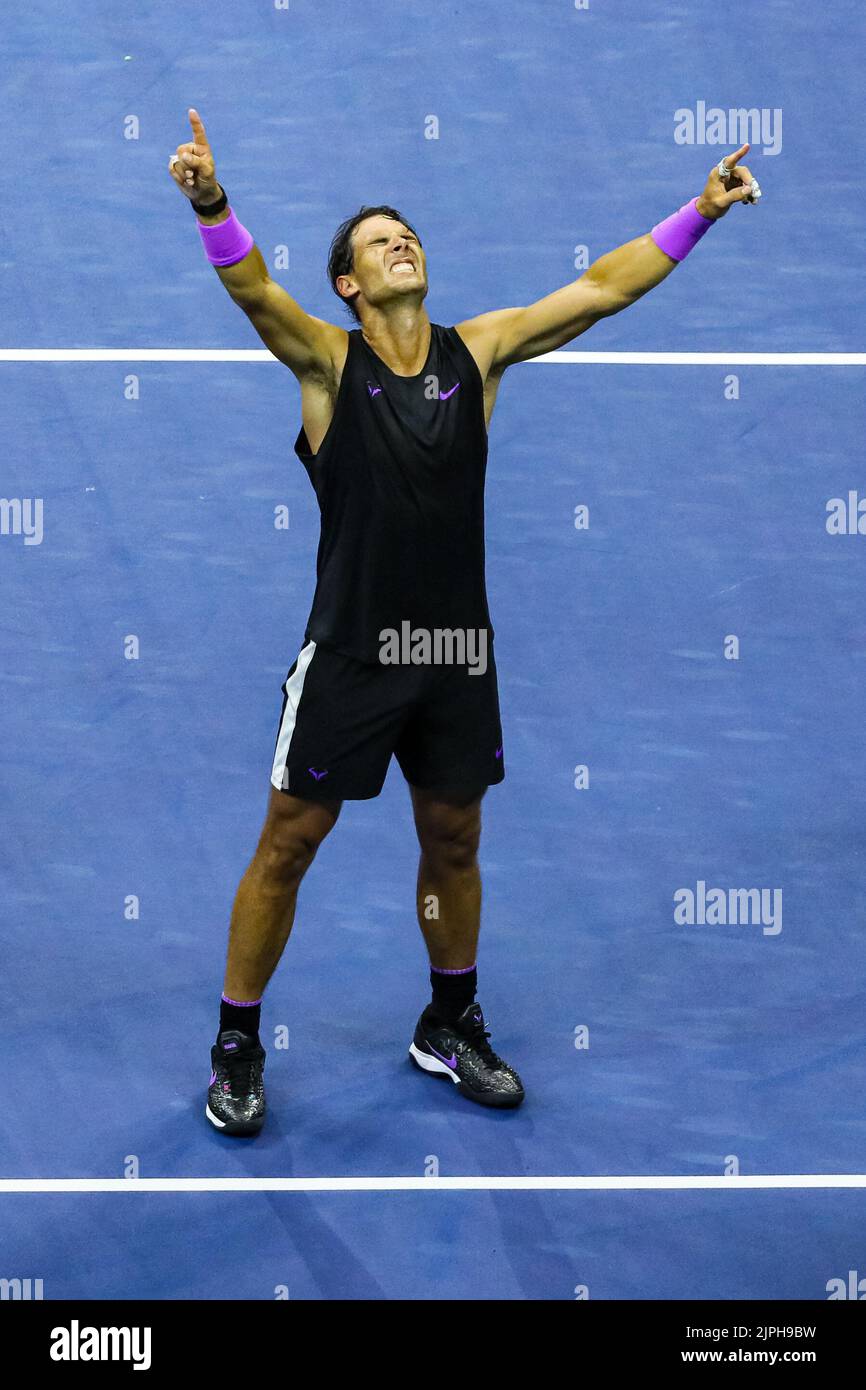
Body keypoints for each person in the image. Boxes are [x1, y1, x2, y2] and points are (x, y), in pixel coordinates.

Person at [168, 108, 760, 1136]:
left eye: (407, 234)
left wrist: (696, 212)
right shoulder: (325, 363)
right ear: (349, 284)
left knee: (452, 837)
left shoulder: (476, 354)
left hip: (453, 655)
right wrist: (213, 205)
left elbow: (598, 288)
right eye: (375, 243)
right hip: (352, 656)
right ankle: (236, 1041)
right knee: (288, 843)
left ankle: (448, 1021)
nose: (399, 243)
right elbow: (254, 290)